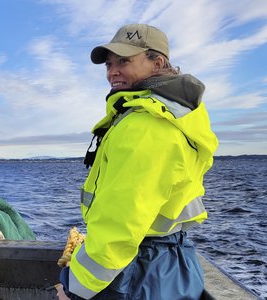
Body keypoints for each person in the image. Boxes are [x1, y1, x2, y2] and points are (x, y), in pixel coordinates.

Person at [58, 24, 219, 299]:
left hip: (140, 271)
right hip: (168, 263)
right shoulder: (173, 114)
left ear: (157, 62)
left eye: (124, 61)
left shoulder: (147, 125)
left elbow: (121, 224)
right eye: (109, 64)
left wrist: (75, 289)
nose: (112, 72)